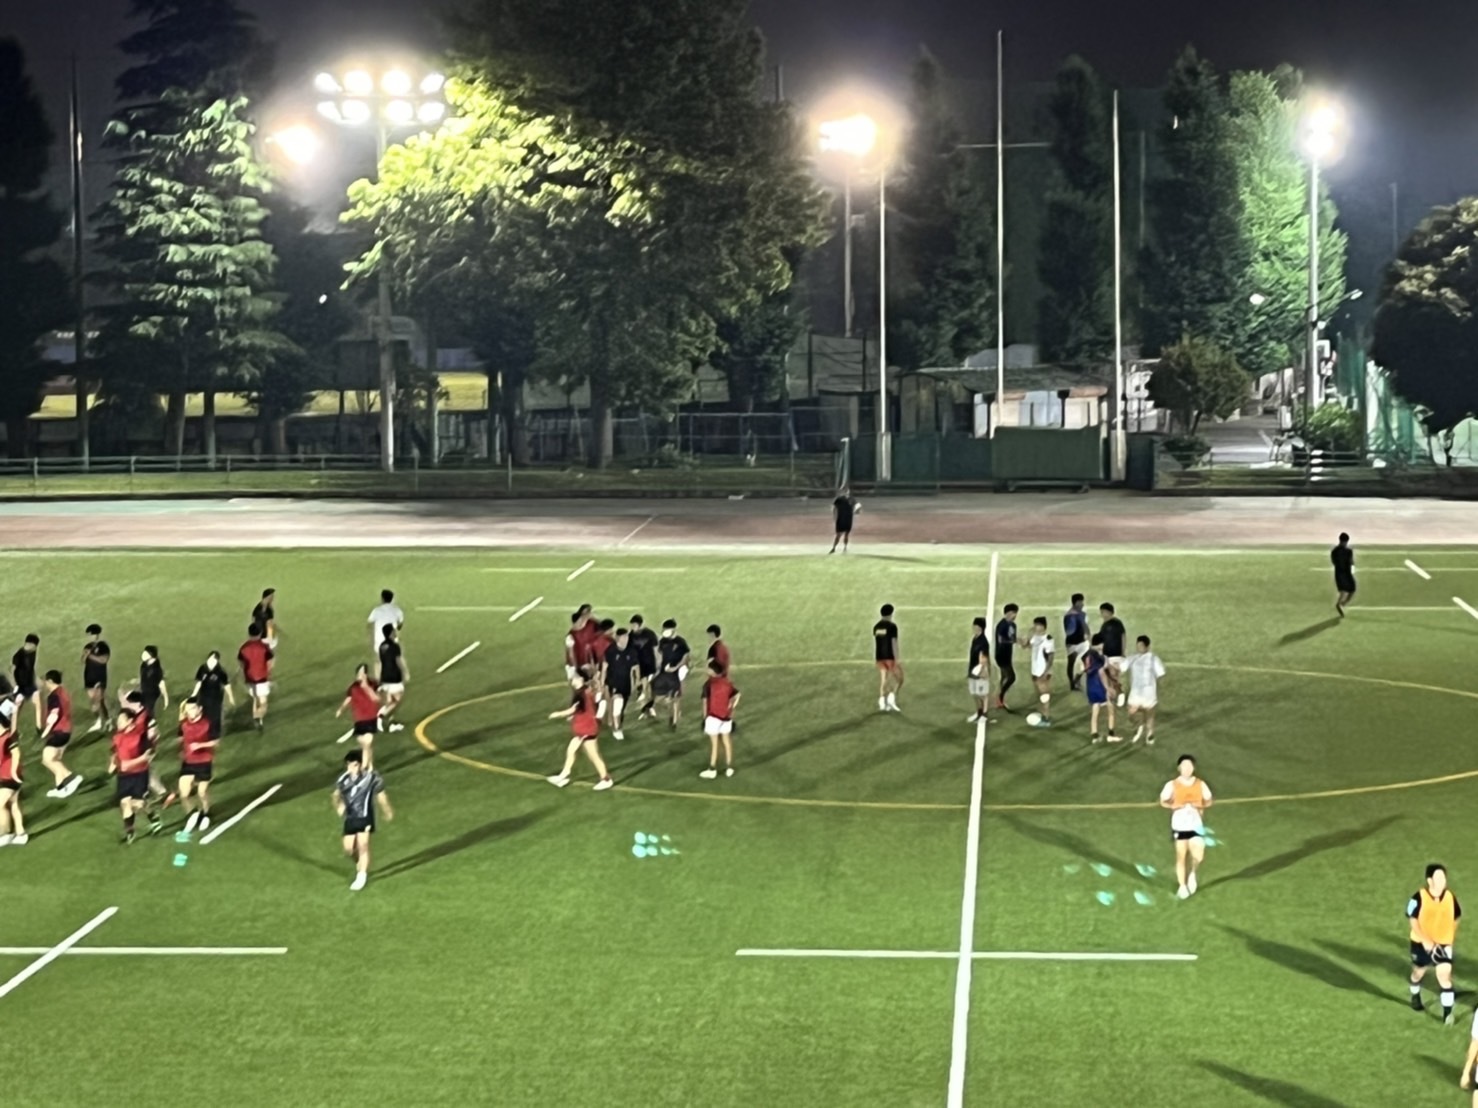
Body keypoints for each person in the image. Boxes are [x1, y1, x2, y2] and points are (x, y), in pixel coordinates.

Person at [333, 749, 394, 892]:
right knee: (349, 849)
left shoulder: (371, 778)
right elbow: (336, 795)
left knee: (363, 845)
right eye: (349, 765)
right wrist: (339, 806)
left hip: (365, 816)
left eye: (354, 765)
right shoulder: (343, 780)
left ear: (360, 765)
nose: (351, 768)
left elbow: (381, 795)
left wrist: (387, 810)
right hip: (350, 818)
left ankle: (361, 876)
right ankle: (360, 863)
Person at [1409, 862, 1461, 1024]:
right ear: (1430, 880)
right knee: (1418, 973)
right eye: (1438, 878)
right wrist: (1425, 940)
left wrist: (1449, 935)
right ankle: (1415, 994)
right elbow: (1413, 920)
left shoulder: (1450, 897)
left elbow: (1456, 916)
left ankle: (1447, 1014)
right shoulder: (1418, 897)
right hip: (1421, 944)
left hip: (1443, 945)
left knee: (1444, 977)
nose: (1442, 881)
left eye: (1444, 877)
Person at [546, 675, 613, 791]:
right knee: (571, 750)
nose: (574, 681)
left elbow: (573, 709)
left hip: (587, 728)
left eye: (576, 679)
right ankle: (564, 775)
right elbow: (582, 708)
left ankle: (606, 779)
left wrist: (557, 714)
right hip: (585, 728)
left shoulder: (582, 693)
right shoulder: (585, 692)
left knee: (594, 755)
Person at [1158, 754, 1212, 899]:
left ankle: (1193, 873)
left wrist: (1200, 805)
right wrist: (1173, 805)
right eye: (1184, 766)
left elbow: (1208, 800)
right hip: (1180, 825)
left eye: (1189, 766)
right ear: (1179, 768)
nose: (1187, 769)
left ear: (1193, 768)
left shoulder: (1200, 784)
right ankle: (1182, 886)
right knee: (1181, 855)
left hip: (1196, 824)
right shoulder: (1172, 785)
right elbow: (1163, 801)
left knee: (1198, 855)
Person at [109, 708, 161, 843]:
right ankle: (130, 833)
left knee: (138, 804)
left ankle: (153, 816)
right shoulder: (117, 736)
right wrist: (113, 763)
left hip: (139, 774)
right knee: (124, 802)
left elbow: (147, 756)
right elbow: (114, 751)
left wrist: (129, 763)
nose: (118, 723)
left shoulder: (140, 736)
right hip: (124, 775)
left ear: (130, 721)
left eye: (121, 720)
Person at [176, 698, 218, 835]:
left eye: (192, 708)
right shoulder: (183, 724)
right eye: (187, 709)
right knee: (184, 794)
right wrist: (180, 750)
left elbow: (215, 742)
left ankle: (206, 813)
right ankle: (194, 813)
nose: (190, 712)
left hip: (204, 761)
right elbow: (181, 738)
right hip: (188, 762)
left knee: (202, 792)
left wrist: (200, 745)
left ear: (200, 709)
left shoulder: (208, 723)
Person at [39, 670, 80, 798]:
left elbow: (54, 714)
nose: (45, 683)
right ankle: (60, 788)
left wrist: (46, 731)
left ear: (50, 681)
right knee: (55, 759)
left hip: (59, 731)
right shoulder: (63, 692)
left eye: (46, 681)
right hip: (67, 730)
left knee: (47, 759)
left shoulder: (54, 695)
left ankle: (71, 777)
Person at [699, 660, 740, 779]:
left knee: (715, 744)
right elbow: (737, 695)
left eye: (708, 669)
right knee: (727, 742)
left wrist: (704, 718)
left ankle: (712, 769)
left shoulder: (708, 684)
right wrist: (731, 707)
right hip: (726, 717)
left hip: (713, 716)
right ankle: (729, 768)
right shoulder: (727, 682)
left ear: (713, 671)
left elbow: (705, 702)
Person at [335, 665, 383, 768]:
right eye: (359, 673)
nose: (361, 676)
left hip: (371, 718)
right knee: (365, 745)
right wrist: (341, 709)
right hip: (359, 719)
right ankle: (370, 766)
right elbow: (348, 699)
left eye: (363, 673)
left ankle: (364, 767)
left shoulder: (373, 684)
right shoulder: (353, 687)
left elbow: (376, 699)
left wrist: (366, 687)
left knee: (368, 742)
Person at [1122, 636, 1167, 745]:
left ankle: (1150, 735)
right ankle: (1139, 725)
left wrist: (1160, 687)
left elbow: (1161, 673)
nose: (1139, 648)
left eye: (1141, 646)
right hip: (1136, 691)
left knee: (1149, 713)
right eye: (1138, 645)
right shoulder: (1133, 658)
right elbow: (1122, 667)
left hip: (1149, 691)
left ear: (1147, 646)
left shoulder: (1153, 658)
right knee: (1131, 713)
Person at [601, 628, 641, 740]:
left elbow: (635, 667)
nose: (626, 640)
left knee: (621, 708)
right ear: (618, 638)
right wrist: (602, 682)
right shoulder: (611, 651)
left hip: (626, 684)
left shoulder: (631, 651)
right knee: (617, 704)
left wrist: (637, 680)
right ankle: (617, 729)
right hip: (613, 682)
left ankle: (613, 722)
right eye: (624, 637)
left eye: (627, 637)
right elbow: (604, 667)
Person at [652, 619, 691, 729]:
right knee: (658, 695)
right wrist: (657, 667)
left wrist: (676, 667)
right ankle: (667, 709)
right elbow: (659, 655)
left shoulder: (681, 642)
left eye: (666, 629)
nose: (664, 631)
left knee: (676, 697)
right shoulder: (663, 641)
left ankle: (674, 721)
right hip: (663, 672)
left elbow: (686, 658)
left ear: (673, 629)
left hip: (676, 673)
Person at [191, 651, 236, 739]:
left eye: (213, 660)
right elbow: (199, 682)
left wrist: (230, 697)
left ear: (217, 661)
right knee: (203, 712)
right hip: (204, 694)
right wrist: (194, 694)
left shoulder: (220, 671)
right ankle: (203, 731)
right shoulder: (202, 668)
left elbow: (226, 684)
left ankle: (215, 733)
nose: (211, 661)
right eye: (210, 659)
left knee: (215, 714)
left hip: (216, 696)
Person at [237, 624, 274, 730]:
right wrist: (269, 674)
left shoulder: (244, 647)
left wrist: (244, 672)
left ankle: (257, 721)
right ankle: (258, 716)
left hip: (249, 678)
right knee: (263, 703)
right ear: (260, 633)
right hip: (262, 677)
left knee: (254, 699)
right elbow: (269, 662)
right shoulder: (264, 647)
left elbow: (241, 663)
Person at [1082, 635, 1118, 742]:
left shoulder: (1086, 655)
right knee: (1110, 709)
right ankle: (1111, 734)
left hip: (1090, 686)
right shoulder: (1099, 657)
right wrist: (1108, 688)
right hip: (1100, 686)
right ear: (1101, 644)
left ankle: (1095, 736)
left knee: (1095, 709)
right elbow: (1102, 672)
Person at [0, 712, 27, 846]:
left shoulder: (8, 737)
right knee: (13, 804)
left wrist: (13, 771)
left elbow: (16, 753)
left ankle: (5, 833)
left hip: (11, 777)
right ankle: (20, 834)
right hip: (4, 777)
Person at [376, 625, 408, 732]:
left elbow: (380, 662)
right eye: (393, 631)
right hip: (394, 677)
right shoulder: (395, 646)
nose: (395, 633)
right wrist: (405, 672)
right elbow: (399, 660)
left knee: (390, 700)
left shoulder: (381, 646)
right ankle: (381, 716)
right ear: (390, 633)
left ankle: (391, 724)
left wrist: (379, 677)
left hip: (384, 677)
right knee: (397, 701)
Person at [1097, 603, 1129, 707]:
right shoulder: (1104, 625)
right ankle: (1111, 697)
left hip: (1116, 655)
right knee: (1107, 677)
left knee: (1113, 676)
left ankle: (1120, 693)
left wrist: (1123, 651)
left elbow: (1123, 636)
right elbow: (1102, 640)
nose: (1102, 614)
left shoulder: (1116, 623)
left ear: (1109, 612)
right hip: (1107, 655)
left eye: (1103, 612)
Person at [873, 604, 903, 712]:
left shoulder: (876, 626)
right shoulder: (892, 626)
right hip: (889, 656)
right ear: (891, 614)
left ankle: (882, 702)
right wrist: (897, 658)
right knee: (900, 679)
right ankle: (891, 698)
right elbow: (893, 642)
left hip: (879, 656)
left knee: (884, 680)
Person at [81, 624, 111, 733]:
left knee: (97, 701)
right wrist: (85, 655)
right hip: (89, 677)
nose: (89, 638)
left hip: (100, 678)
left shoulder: (103, 646)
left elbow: (104, 660)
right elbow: (82, 661)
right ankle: (104, 720)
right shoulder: (87, 647)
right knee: (96, 702)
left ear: (96, 635)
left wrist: (90, 656)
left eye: (91, 635)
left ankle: (103, 722)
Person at [628, 615, 659, 717]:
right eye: (632, 625)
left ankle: (649, 705)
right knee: (641, 684)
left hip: (649, 662)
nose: (632, 627)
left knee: (650, 685)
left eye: (634, 625)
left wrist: (658, 661)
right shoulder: (631, 635)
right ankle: (645, 706)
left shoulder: (649, 634)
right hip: (638, 663)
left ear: (640, 625)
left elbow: (655, 648)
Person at [1027, 617, 1055, 727]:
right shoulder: (1035, 637)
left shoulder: (1048, 639)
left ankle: (1046, 718)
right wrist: (1029, 635)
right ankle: (1041, 714)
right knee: (1038, 694)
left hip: (1043, 672)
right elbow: (1027, 646)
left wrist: (1046, 672)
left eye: (1037, 625)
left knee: (1044, 695)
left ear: (1043, 626)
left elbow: (1051, 657)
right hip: (1035, 670)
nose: (1035, 627)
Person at [994, 604, 1021, 712]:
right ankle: (1000, 697)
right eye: (1014, 613)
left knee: (1004, 676)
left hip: (1008, 654)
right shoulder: (1001, 625)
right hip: (1001, 655)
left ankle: (999, 698)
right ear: (1008, 613)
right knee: (1011, 677)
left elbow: (1013, 638)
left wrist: (1021, 641)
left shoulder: (1013, 625)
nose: (1015, 615)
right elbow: (1001, 640)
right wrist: (1015, 641)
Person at [1063, 594, 1091, 692]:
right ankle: (1072, 683)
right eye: (1081, 602)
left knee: (1088, 664)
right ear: (1076, 603)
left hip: (1083, 643)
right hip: (1072, 644)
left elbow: (1086, 626)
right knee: (1071, 663)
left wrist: (1089, 637)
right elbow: (1069, 631)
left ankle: (1077, 678)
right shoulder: (1069, 616)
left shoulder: (1083, 614)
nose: (1083, 604)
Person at [12, 634, 40, 731]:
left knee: (37, 702)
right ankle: (13, 730)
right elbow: (12, 669)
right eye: (35, 646)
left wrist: (36, 680)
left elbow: (31, 668)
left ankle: (39, 727)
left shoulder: (33, 652)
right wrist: (15, 685)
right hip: (21, 685)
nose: (36, 648)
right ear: (30, 644)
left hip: (30, 683)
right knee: (17, 707)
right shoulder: (19, 655)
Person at [967, 617, 991, 723]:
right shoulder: (975, 638)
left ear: (980, 627)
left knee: (983, 694)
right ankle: (979, 712)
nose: (973, 627)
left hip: (980, 671)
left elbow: (984, 658)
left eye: (975, 626)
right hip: (972, 670)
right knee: (974, 693)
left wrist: (983, 670)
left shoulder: (983, 642)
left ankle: (984, 715)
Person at [367, 589, 405, 654]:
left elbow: (369, 623)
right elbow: (400, 624)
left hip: (379, 640)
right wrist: (397, 630)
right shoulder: (397, 610)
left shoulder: (376, 610)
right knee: (394, 657)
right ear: (392, 599)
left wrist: (370, 638)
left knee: (380, 657)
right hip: (392, 639)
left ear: (382, 599)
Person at [138, 645, 168, 719]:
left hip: (152, 694)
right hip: (144, 692)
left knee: (149, 713)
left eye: (146, 653)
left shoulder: (157, 669)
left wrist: (165, 698)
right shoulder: (144, 665)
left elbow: (161, 684)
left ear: (151, 655)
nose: (143, 655)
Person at [1332, 532, 1356, 617]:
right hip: (1347, 573)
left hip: (1338, 573)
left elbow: (1334, 562)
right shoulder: (1349, 551)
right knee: (1351, 589)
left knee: (1343, 590)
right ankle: (1342, 604)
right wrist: (1352, 570)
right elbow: (1351, 562)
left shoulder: (1334, 551)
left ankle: (1340, 604)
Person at [830, 487, 857, 554]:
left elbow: (856, 506)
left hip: (848, 518)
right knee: (838, 534)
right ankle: (834, 548)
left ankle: (845, 548)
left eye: (847, 491)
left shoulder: (851, 499)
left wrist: (856, 510)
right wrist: (834, 516)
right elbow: (834, 508)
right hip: (840, 518)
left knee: (846, 534)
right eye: (844, 491)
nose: (846, 492)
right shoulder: (838, 499)